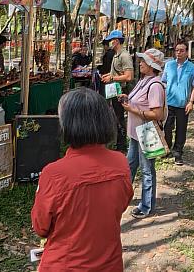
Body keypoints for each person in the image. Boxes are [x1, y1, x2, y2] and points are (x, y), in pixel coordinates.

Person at [31, 88, 133, 271]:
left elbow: (41, 227)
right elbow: (122, 203)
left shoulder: (54, 174)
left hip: (65, 265)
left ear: (67, 124)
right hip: (110, 263)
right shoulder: (120, 162)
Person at [120, 48, 166, 219]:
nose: (140, 63)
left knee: (147, 170)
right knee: (129, 165)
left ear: (152, 66)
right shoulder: (143, 81)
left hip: (147, 133)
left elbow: (157, 114)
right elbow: (138, 102)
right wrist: (127, 98)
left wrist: (131, 109)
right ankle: (123, 196)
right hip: (135, 132)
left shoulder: (155, 85)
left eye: (144, 61)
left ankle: (147, 205)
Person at [161, 40, 194, 165]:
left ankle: (178, 152)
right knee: (167, 127)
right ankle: (167, 149)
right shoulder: (169, 65)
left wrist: (191, 102)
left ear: (187, 52)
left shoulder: (193, 68)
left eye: (182, 50)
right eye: (177, 50)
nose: (178, 53)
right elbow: (164, 82)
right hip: (169, 102)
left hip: (183, 104)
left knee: (181, 129)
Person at [101, 30, 134, 152]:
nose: (110, 42)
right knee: (115, 116)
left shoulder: (124, 56)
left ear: (116, 41)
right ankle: (118, 143)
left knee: (120, 118)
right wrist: (108, 76)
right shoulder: (116, 55)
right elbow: (116, 72)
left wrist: (112, 78)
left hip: (122, 90)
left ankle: (122, 146)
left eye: (111, 40)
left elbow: (129, 76)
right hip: (115, 89)